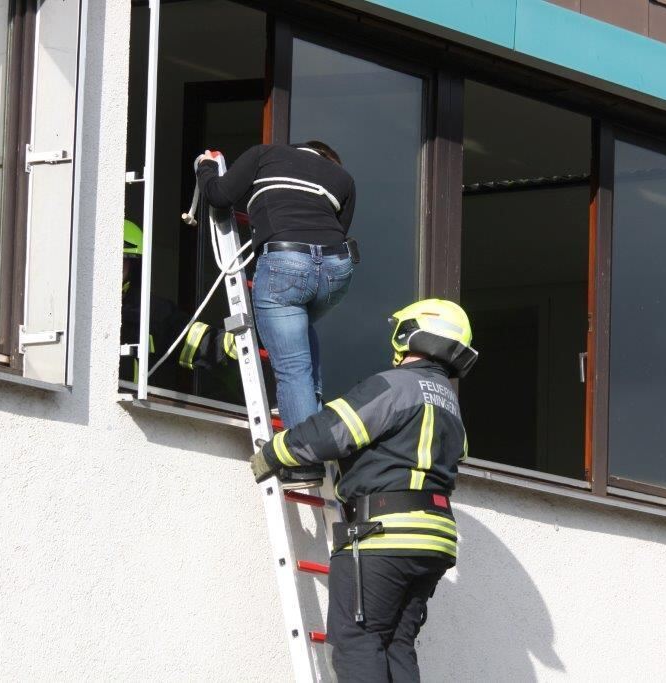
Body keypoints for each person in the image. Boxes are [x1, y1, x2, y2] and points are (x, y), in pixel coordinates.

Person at [249, 299, 478, 682]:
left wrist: (272, 453)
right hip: (436, 540)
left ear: (410, 334)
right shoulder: (449, 404)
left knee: (357, 640)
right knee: (397, 645)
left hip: (383, 535)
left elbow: (332, 432)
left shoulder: (395, 386)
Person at [196, 141, 357, 487]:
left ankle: (303, 463)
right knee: (300, 332)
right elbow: (338, 232)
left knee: (292, 368)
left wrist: (206, 168)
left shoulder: (263, 155)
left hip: (285, 261)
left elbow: (221, 196)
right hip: (336, 271)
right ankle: (310, 419)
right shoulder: (342, 178)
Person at [120, 219, 234, 383]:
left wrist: (229, 344)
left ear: (133, 267)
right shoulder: (74, 305)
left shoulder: (151, 311)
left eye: (123, 261)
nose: (115, 267)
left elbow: (192, 339)